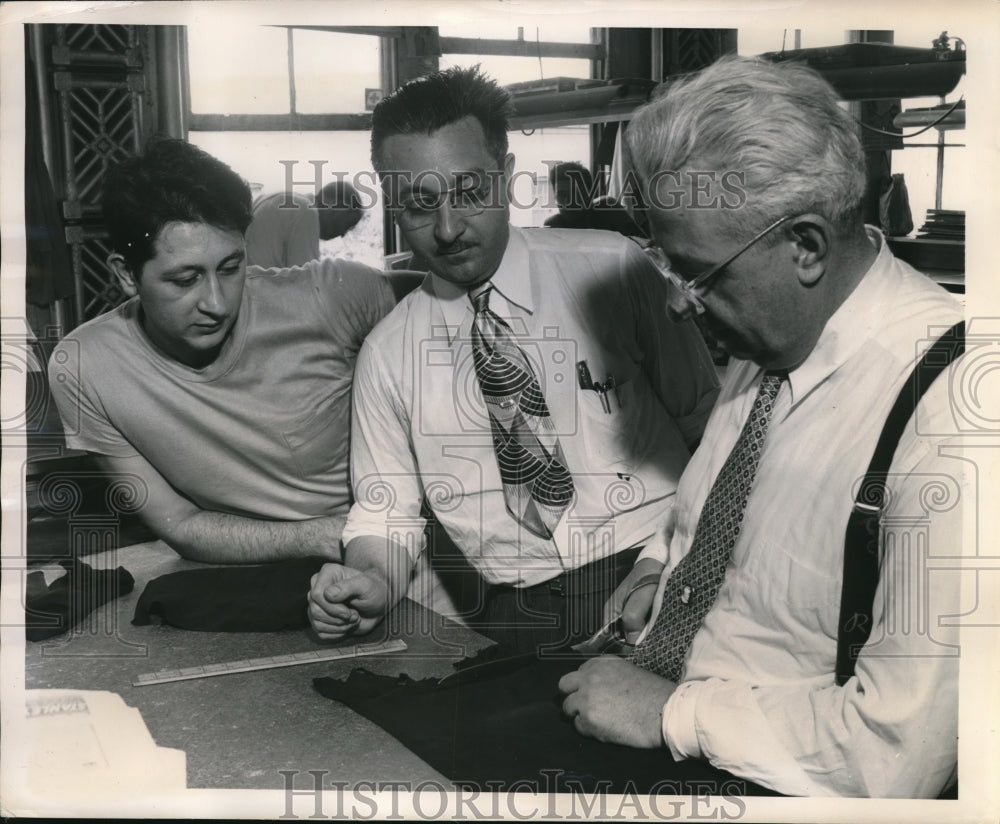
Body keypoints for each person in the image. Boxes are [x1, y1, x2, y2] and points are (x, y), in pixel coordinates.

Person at [558, 55, 964, 798]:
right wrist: (661, 562)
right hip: (649, 701)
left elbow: (895, 757)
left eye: (698, 273)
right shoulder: (772, 327)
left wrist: (673, 714)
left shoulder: (956, 413)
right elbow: (732, 499)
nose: (682, 305)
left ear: (805, 246)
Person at [307, 66, 720, 653]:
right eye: (419, 205)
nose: (449, 229)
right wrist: (370, 581)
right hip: (523, 612)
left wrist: (677, 561)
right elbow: (384, 517)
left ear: (505, 175)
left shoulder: (614, 270)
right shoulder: (387, 355)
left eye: (470, 191)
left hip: (665, 561)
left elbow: (710, 426)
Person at [47, 139, 396, 564]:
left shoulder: (330, 296)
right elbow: (181, 525)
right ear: (125, 274)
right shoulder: (84, 365)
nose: (217, 303)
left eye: (231, 269)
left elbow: (448, 296)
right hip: (248, 565)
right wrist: (330, 537)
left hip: (391, 552)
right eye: (184, 280)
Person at [245, 180, 366, 268]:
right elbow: (306, 282)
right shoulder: (306, 211)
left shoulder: (286, 201)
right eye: (347, 224)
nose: (343, 234)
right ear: (335, 207)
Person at [543, 161, 644, 237]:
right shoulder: (554, 226)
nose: (568, 203)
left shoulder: (608, 209)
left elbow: (644, 246)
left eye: (576, 195)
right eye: (561, 195)